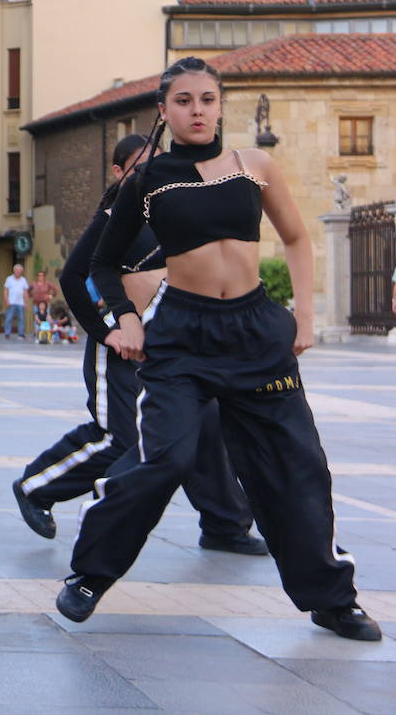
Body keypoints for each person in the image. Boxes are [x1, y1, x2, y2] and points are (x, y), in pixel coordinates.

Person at [57, 57, 381, 642]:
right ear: (164, 110)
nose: (197, 110)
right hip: (182, 334)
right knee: (165, 460)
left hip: (256, 330)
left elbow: (299, 239)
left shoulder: (255, 166)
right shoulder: (145, 180)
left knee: (298, 468)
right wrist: (124, 320)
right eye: (183, 101)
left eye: (207, 99)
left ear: (220, 105)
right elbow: (100, 264)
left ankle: (333, 600)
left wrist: (302, 315)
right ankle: (90, 575)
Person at [13, 134, 262, 557]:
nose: (153, 170)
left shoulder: (173, 211)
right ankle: (36, 487)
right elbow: (75, 277)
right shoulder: (115, 214)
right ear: (118, 172)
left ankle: (225, 525)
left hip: (173, 344)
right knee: (120, 437)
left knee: (206, 426)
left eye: (157, 161)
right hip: (119, 347)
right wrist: (107, 332)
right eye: (141, 165)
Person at [3, 264, 29, 338]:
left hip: (20, 303)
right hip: (11, 302)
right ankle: (7, 333)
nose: (18, 272)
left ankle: (21, 333)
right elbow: (5, 290)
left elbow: (25, 292)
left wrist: (25, 302)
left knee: (21, 318)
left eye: (20, 271)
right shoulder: (9, 279)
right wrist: (6, 300)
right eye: (17, 270)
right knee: (9, 318)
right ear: (14, 270)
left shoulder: (23, 280)